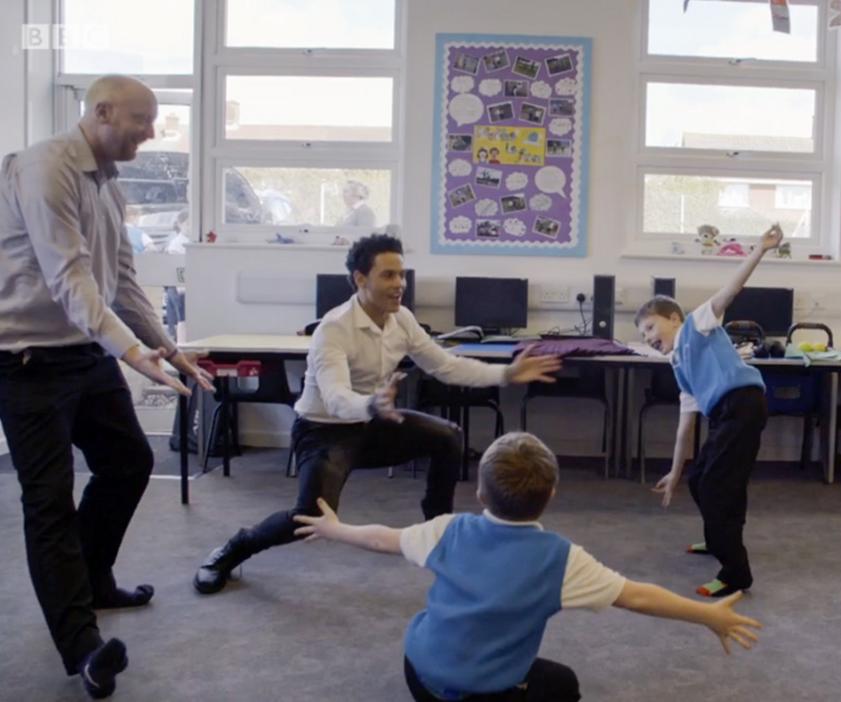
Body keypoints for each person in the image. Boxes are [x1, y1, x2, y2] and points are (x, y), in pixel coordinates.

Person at [193, 233, 562, 595]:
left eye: (401, 274)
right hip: (324, 431)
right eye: (388, 275)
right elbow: (336, 399)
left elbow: (445, 366)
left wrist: (506, 374)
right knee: (308, 521)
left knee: (447, 436)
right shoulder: (333, 330)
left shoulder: (401, 319)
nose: (399, 284)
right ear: (360, 279)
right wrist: (371, 404)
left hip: (372, 423)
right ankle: (229, 552)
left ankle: (440, 535)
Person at [0, 74, 214, 699]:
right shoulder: (46, 170)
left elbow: (119, 277)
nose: (152, 132)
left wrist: (169, 349)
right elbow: (70, 280)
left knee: (129, 461)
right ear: (100, 112)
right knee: (49, 503)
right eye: (142, 121)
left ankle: (93, 580)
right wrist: (128, 351)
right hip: (27, 359)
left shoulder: (108, 184)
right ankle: (83, 649)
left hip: (84, 354)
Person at [293, 432, 763, 701]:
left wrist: (335, 528)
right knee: (563, 685)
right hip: (480, 694)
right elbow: (636, 595)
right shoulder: (562, 559)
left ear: (479, 495)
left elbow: (381, 537)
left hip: (418, 671)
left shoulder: (447, 529)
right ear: (552, 496)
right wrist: (707, 613)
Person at [635, 225, 783, 598]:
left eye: (651, 327)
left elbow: (730, 291)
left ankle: (736, 573)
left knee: (719, 487)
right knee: (701, 478)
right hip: (726, 415)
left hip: (743, 405)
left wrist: (761, 249)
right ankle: (717, 540)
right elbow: (686, 425)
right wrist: (675, 470)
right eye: (642, 335)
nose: (649, 337)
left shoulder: (697, 325)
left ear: (673, 317)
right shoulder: (679, 365)